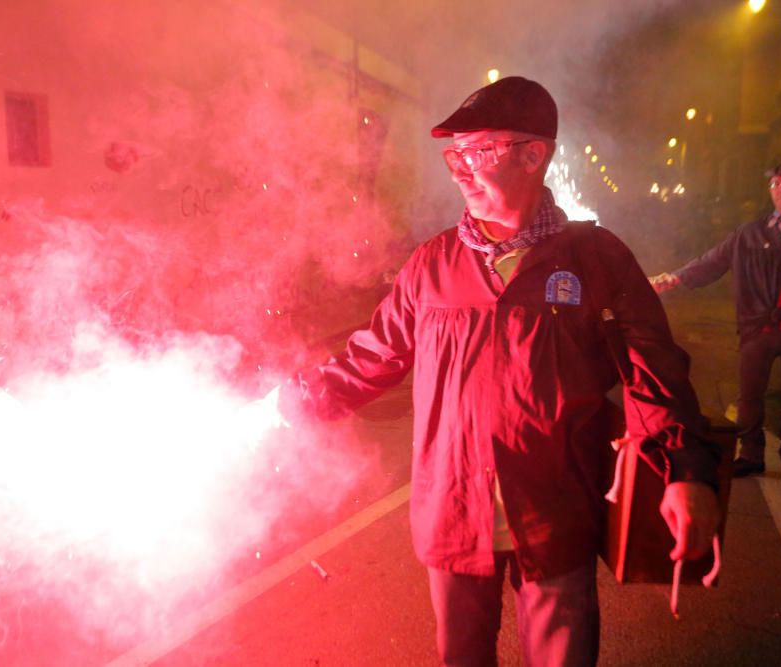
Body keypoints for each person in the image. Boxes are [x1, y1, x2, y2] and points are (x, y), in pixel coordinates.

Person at [280, 76, 720, 667]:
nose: (459, 170)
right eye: (452, 155)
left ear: (534, 154)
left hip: (556, 509)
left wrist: (685, 472)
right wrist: (304, 399)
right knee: (460, 656)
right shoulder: (432, 263)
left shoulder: (596, 258)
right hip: (453, 510)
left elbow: (654, 370)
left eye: (477, 152)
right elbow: (375, 353)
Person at [649, 163, 781, 486]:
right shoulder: (753, 232)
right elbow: (714, 260)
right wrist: (675, 277)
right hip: (758, 326)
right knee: (750, 395)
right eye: (776, 184)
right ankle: (751, 455)